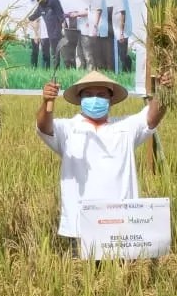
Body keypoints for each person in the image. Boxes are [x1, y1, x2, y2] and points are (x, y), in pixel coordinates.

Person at [36, 70, 169, 256]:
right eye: (89, 95)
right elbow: (44, 127)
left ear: (110, 99)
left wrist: (164, 89)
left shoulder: (125, 127)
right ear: (80, 99)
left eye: (101, 95)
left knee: (122, 273)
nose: (95, 99)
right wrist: (46, 102)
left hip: (121, 224)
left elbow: (151, 118)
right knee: (83, 273)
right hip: (80, 226)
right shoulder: (68, 129)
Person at [26, 0, 65, 71]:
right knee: (48, 53)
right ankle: (53, 71)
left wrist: (63, 28)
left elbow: (61, 15)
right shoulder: (40, 5)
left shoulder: (53, 1)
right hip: (48, 31)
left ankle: (56, 71)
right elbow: (35, 14)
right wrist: (26, 19)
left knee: (55, 52)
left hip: (56, 30)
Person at [102, 0, 132, 72]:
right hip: (119, 28)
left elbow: (123, 13)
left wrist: (122, 32)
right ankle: (125, 69)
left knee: (122, 54)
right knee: (121, 53)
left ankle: (127, 70)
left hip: (122, 29)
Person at [82, 0, 109, 69]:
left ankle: (100, 72)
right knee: (95, 53)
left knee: (98, 54)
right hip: (95, 27)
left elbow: (98, 10)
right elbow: (91, 10)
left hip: (99, 28)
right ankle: (98, 71)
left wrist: (95, 27)